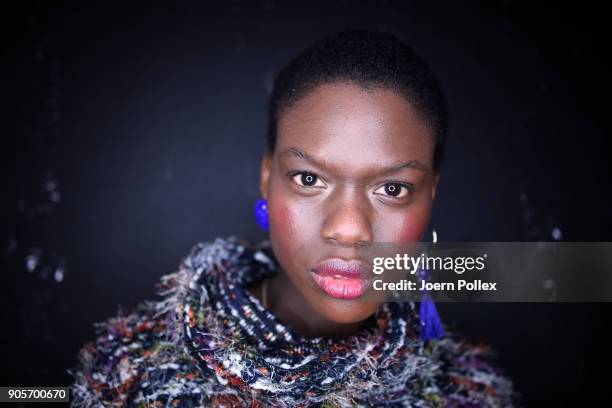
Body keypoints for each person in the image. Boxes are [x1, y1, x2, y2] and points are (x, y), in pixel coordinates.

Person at [69, 30, 518, 407]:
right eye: (308, 178)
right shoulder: (129, 371)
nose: (348, 228)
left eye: (393, 189)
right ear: (268, 178)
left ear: (431, 192)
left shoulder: (468, 391)